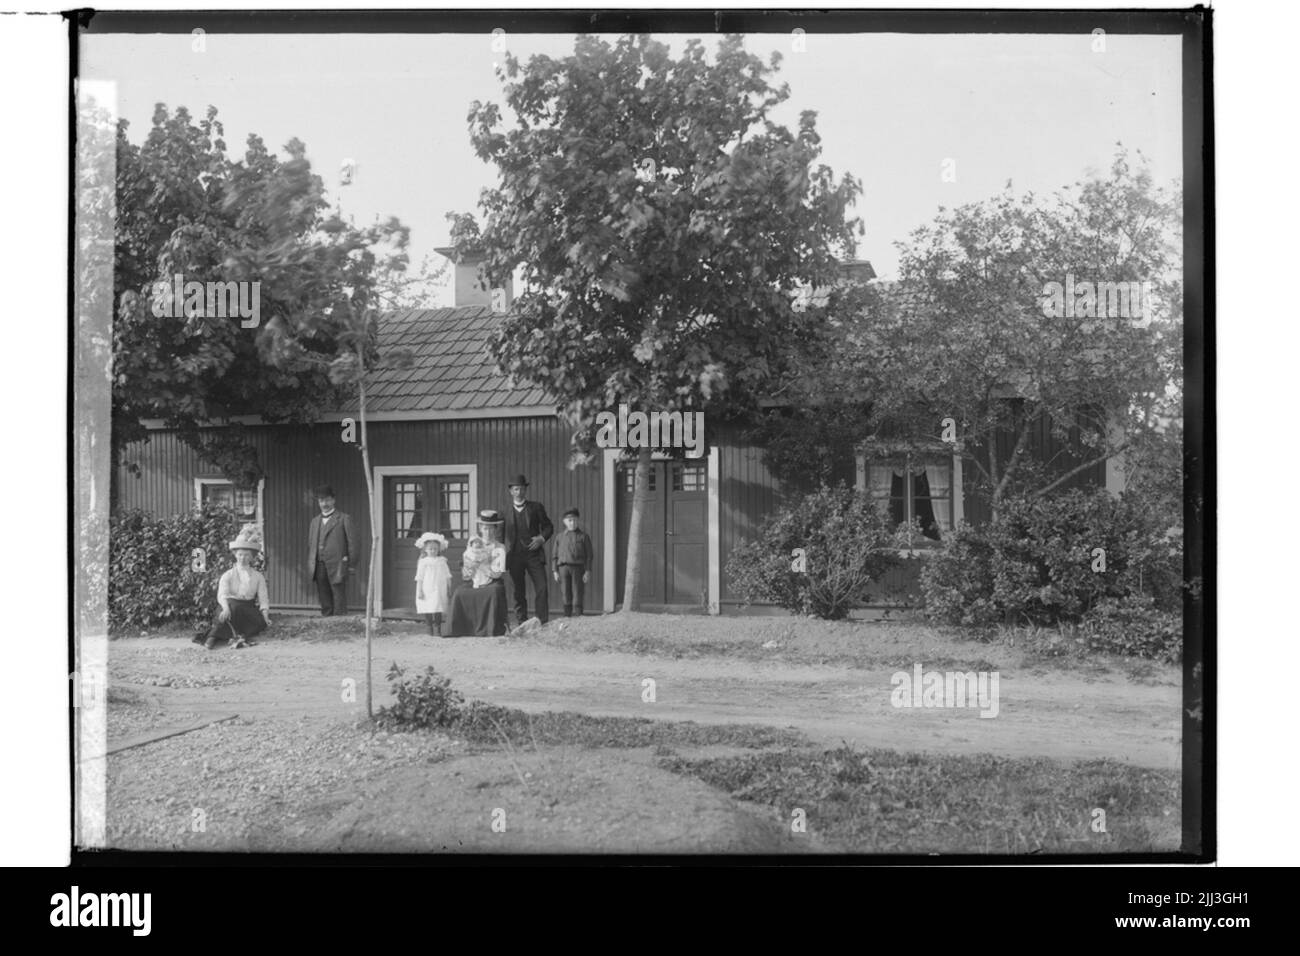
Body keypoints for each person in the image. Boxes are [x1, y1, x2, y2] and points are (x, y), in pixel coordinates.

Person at [195, 524, 270, 650]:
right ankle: (212, 637)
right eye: (240, 554)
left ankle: (235, 635)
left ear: (252, 557)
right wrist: (225, 608)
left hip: (247, 607)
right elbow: (222, 594)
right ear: (235, 555)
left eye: (247, 555)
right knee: (226, 615)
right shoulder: (228, 575)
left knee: (260, 622)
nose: (243, 558)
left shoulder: (258, 577)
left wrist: (265, 614)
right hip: (230, 605)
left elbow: (263, 598)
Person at [502, 474, 554, 625]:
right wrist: (498, 556)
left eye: (522, 489)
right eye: (516, 489)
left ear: (526, 490)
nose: (519, 492)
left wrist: (541, 538)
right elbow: (499, 538)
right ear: (511, 491)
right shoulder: (504, 511)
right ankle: (521, 622)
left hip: (534, 555)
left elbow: (548, 527)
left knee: (542, 587)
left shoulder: (536, 507)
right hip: (514, 556)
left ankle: (541, 621)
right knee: (518, 591)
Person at [448, 510, 509, 637]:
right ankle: (462, 629)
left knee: (494, 592)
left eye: (491, 528)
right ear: (480, 528)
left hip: (492, 580)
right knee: (459, 592)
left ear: (496, 529)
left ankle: (489, 629)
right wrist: (469, 568)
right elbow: (467, 574)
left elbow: (497, 574)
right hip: (475, 580)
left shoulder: (500, 547)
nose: (488, 532)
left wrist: (482, 565)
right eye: (485, 528)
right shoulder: (472, 545)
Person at [306, 484, 359, 616]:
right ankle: (327, 622)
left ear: (333, 500)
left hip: (338, 564)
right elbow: (311, 544)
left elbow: (353, 544)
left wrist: (351, 564)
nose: (325, 504)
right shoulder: (314, 522)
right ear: (318, 502)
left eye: (328, 500)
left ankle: (339, 623)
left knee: (338, 595)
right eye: (321, 501)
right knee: (323, 594)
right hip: (319, 565)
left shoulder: (344, 519)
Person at [551, 507, 594, 617]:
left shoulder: (583, 536)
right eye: (570, 520)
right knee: (565, 592)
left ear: (578, 521)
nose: (572, 523)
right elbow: (554, 556)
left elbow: (589, 555)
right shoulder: (560, 537)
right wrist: (555, 571)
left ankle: (579, 616)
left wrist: (587, 571)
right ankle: (567, 616)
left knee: (578, 591)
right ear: (564, 522)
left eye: (575, 520)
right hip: (563, 568)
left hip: (578, 568)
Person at [413, 532, 451, 636]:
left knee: (438, 607)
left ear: (439, 549)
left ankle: (438, 628)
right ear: (425, 549)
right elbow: (419, 577)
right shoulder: (423, 562)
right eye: (430, 549)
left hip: (439, 587)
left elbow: (447, 575)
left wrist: (449, 587)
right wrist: (420, 590)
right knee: (428, 607)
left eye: (435, 549)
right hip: (427, 587)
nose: (433, 551)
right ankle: (429, 628)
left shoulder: (442, 561)